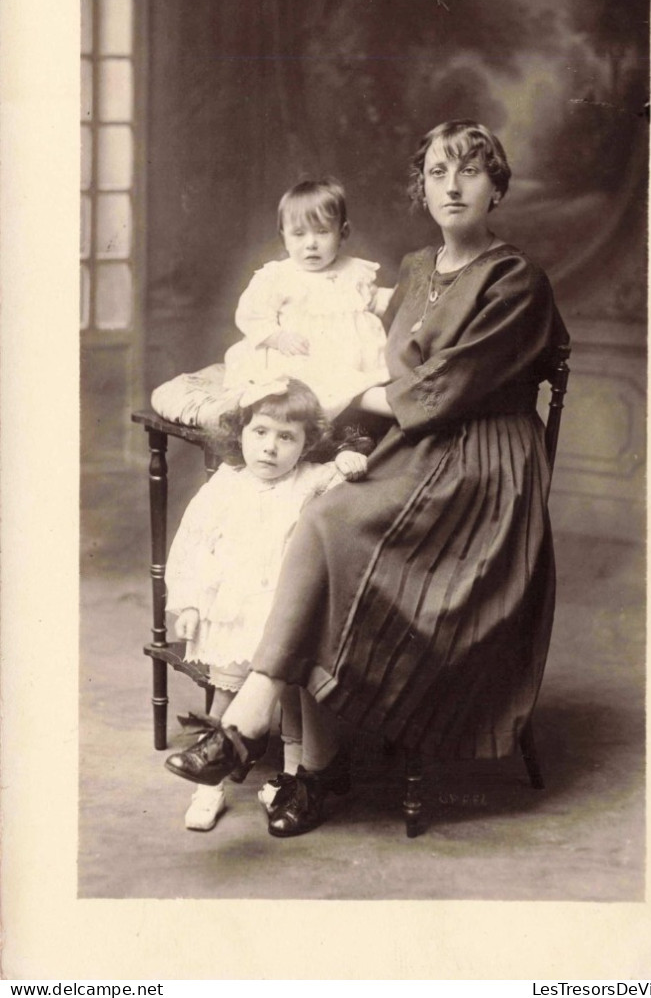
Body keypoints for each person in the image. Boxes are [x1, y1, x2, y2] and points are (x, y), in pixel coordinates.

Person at [165, 120, 570, 838]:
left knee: (333, 526)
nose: (453, 185)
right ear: (422, 188)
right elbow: (366, 350)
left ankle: (275, 739)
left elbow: (441, 390)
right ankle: (289, 742)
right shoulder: (413, 270)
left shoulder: (516, 281)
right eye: (439, 173)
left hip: (482, 466)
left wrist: (347, 388)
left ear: (496, 186)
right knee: (312, 514)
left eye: (470, 172)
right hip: (411, 450)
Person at [164, 376, 367, 832]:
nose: (270, 449)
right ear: (240, 433)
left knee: (295, 702)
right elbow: (194, 543)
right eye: (260, 433)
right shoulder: (224, 485)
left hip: (282, 616)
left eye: (286, 437)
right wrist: (190, 603)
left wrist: (347, 459)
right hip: (235, 613)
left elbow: (341, 476)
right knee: (227, 694)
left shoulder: (308, 480)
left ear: (305, 444)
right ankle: (208, 785)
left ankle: (291, 783)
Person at [150, 178, 393, 428]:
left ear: (343, 233)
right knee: (314, 379)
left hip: (353, 357)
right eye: (299, 234)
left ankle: (379, 400)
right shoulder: (278, 276)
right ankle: (379, 403)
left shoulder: (354, 271)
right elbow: (251, 315)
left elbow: (374, 301)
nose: (311, 243)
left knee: (357, 378)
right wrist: (277, 338)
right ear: (284, 237)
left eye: (322, 232)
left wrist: (396, 298)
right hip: (302, 355)